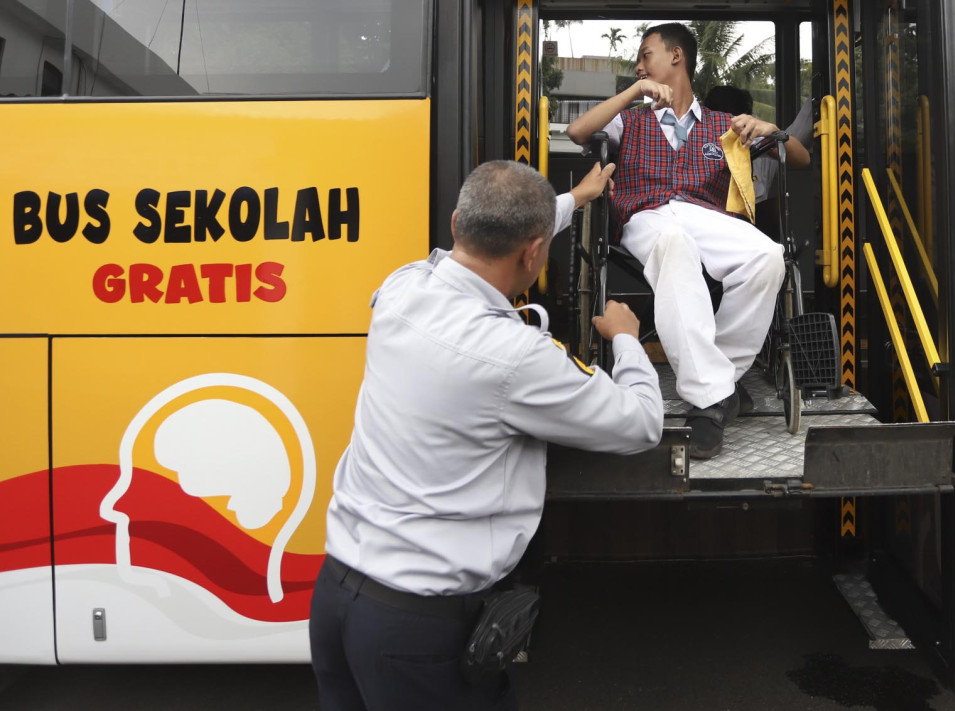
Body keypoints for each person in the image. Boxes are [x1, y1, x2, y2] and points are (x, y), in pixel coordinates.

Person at [309, 160, 661, 711]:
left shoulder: (401, 286)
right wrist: (626, 340)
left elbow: (509, 236)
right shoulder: (515, 357)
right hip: (420, 632)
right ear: (533, 253)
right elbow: (641, 422)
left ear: (455, 224)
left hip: (336, 602)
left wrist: (575, 199)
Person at [566, 22, 793, 459]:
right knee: (673, 241)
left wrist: (769, 127)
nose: (638, 64)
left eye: (645, 54)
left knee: (768, 256)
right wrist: (634, 92)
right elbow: (578, 133)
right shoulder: (629, 118)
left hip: (704, 215)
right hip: (646, 214)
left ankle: (718, 381)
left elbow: (796, 155)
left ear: (676, 56)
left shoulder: (727, 126)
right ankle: (710, 399)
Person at [703, 85, 814, 236]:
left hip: (751, 232)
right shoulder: (698, 145)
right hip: (709, 226)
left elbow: (803, 158)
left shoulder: (756, 142)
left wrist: (772, 132)